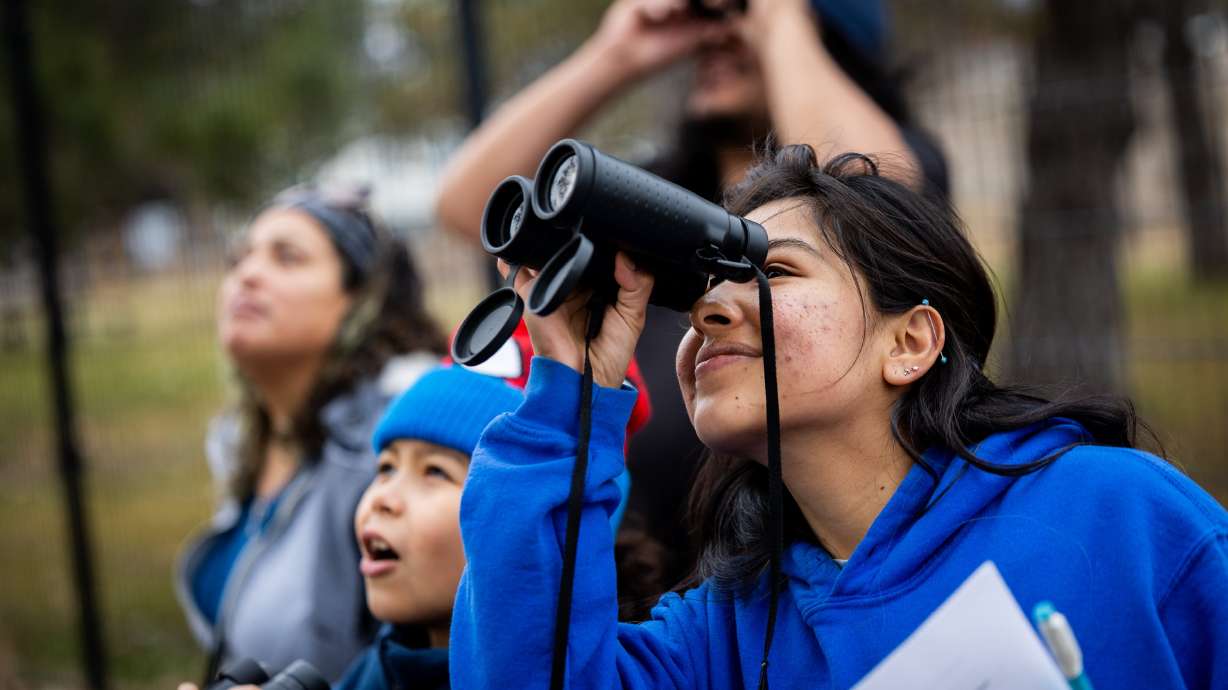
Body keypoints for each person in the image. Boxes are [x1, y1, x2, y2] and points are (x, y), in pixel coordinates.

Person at [450, 146, 1228, 689]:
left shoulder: (1112, 514)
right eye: (700, 295)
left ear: (912, 341)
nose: (714, 308)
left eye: (773, 272)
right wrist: (567, 399)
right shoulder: (721, 634)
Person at [434, 0, 948, 581]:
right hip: (651, 587)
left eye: (738, 31)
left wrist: (782, 21)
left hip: (795, 580)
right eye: (705, 41)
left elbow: (864, 199)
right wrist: (616, 53)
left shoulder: (888, 158)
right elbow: (465, 205)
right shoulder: (675, 190)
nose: (714, 45)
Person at [174, 183, 447, 682]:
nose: (247, 276)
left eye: (288, 257)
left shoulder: (391, 445)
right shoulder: (240, 444)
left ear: (361, 299)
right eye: (240, 259)